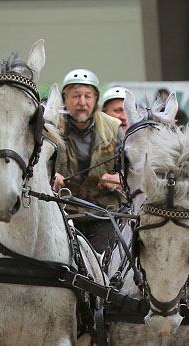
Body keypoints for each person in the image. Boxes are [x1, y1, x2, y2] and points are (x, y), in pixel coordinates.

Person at [52, 68, 123, 252]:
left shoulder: (114, 127)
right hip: (61, 214)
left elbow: (132, 173)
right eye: (75, 96)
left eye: (88, 96)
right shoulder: (50, 127)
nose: (82, 102)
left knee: (106, 267)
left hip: (103, 215)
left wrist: (119, 179)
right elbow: (34, 166)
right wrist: (50, 176)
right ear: (64, 99)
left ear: (96, 99)